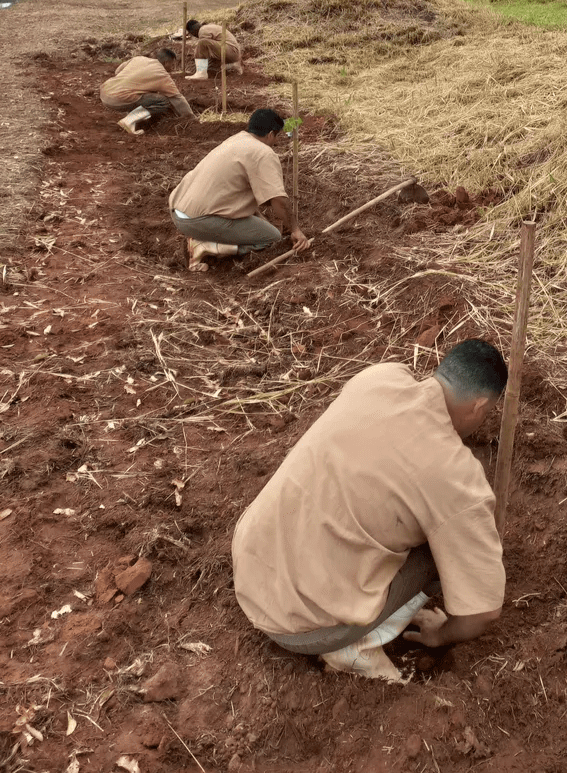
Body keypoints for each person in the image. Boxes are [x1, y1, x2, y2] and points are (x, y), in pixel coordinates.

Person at [231, 339, 508, 682]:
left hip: (251, 566)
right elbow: (484, 612)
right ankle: (354, 646)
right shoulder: (457, 479)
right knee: (440, 552)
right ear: (480, 406)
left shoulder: (380, 378)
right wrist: (442, 634)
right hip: (304, 627)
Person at [168, 108, 311, 271]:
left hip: (178, 212)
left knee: (261, 227)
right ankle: (204, 246)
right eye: (277, 136)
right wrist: (295, 229)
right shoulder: (263, 153)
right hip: (198, 220)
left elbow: (241, 196)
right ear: (271, 134)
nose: (276, 142)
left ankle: (203, 238)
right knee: (271, 238)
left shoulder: (237, 140)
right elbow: (278, 199)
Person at [99, 49, 194, 136]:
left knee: (138, 93)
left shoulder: (138, 59)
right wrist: (191, 117)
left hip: (104, 92)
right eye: (172, 64)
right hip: (117, 100)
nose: (173, 68)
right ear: (166, 63)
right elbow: (177, 98)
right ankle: (128, 121)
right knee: (163, 101)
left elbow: (117, 71)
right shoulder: (162, 74)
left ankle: (134, 118)